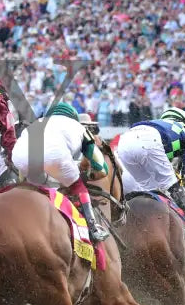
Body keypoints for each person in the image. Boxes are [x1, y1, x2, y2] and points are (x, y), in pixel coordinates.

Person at [11, 102, 110, 243]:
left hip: (19, 156)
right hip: (55, 157)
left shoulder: (36, 123)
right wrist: (83, 177)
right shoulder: (78, 127)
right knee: (77, 186)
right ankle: (93, 228)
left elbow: (22, 175)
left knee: (26, 185)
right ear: (73, 117)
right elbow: (102, 169)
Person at [115, 106, 185, 236]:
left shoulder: (157, 124)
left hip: (124, 143)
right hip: (149, 142)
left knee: (148, 189)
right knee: (171, 185)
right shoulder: (183, 132)